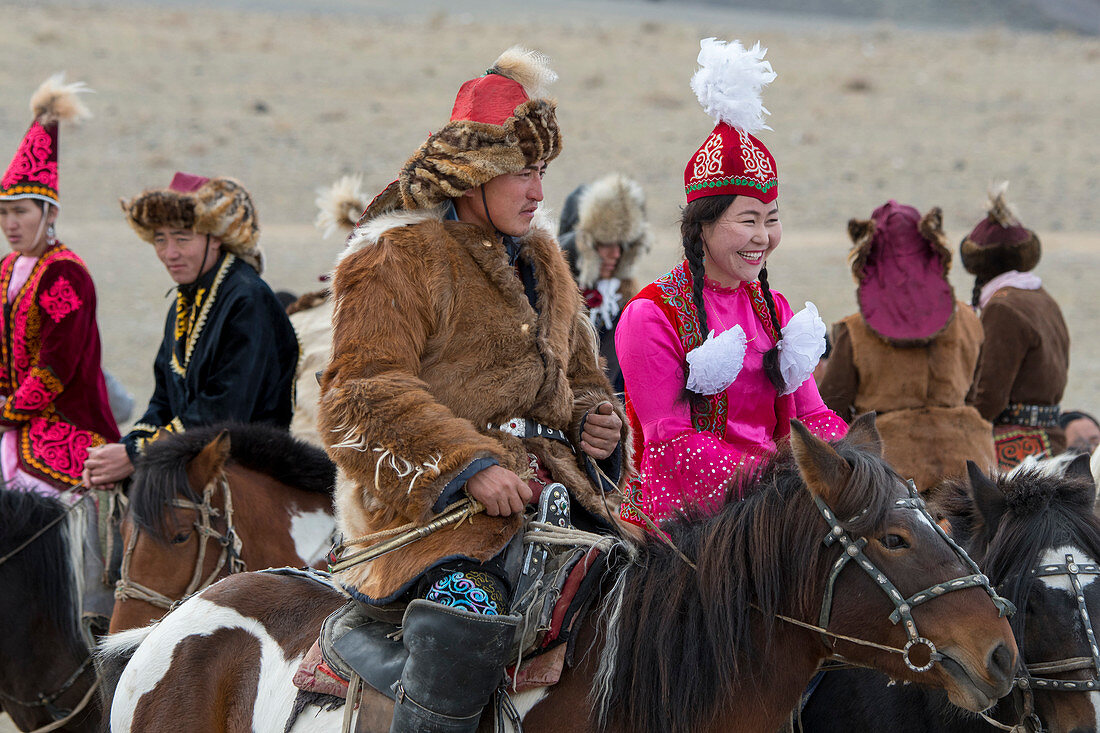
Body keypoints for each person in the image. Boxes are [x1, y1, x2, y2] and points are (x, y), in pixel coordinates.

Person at [318, 47, 629, 732]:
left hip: (562, 504)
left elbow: (579, 382)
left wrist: (596, 425)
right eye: (521, 171)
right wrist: (470, 465)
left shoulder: (545, 263)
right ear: (472, 174)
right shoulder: (397, 257)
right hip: (439, 523)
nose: (539, 191)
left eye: (542, 170)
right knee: (466, 620)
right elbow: (355, 396)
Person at [616, 39, 847, 527]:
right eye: (747, 221)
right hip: (684, 531)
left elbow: (812, 417)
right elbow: (672, 449)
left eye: (772, 219)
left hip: (772, 515)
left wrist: (858, 466)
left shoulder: (775, 310)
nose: (762, 238)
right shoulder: (651, 315)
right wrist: (780, 489)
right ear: (702, 224)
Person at [82, 172, 299, 488]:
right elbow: (163, 401)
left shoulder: (247, 298)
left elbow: (227, 410)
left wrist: (137, 453)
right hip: (193, 462)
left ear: (216, 238)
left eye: (182, 238)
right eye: (160, 239)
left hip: (251, 476)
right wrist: (125, 449)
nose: (169, 253)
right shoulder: (184, 302)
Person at [818, 200, 995, 491]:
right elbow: (976, 392)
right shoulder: (968, 319)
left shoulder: (856, 331)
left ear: (870, 257)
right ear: (930, 250)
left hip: (893, 473)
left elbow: (832, 406)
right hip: (971, 465)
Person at [0, 75, 119, 492]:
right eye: (4, 213)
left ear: (49, 214)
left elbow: (56, 366)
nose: (10, 224)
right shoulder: (7, 268)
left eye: (21, 212)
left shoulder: (64, 274)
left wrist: (8, 412)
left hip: (63, 424)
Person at [963, 183, 1070, 469]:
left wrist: (958, 424)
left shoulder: (1001, 309)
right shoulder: (1042, 297)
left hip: (1016, 449)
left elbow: (990, 399)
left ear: (978, 267)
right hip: (1052, 440)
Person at [558, 173, 653, 393]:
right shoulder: (553, 295)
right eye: (605, 243)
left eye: (622, 244)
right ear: (584, 245)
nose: (615, 253)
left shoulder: (626, 302)